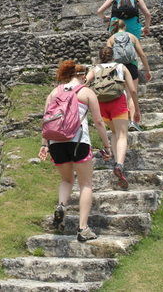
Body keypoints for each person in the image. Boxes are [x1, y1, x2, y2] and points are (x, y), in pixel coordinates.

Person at [38, 60, 112, 242]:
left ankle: (62, 205)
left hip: (56, 142)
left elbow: (46, 120)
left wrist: (44, 145)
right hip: (78, 141)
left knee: (66, 180)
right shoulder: (86, 92)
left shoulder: (54, 92)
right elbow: (99, 122)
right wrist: (107, 146)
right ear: (80, 76)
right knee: (85, 184)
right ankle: (82, 228)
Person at [84, 46, 139, 191]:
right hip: (118, 102)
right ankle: (119, 164)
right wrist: (137, 110)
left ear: (100, 56)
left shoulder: (95, 69)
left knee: (114, 132)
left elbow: (84, 83)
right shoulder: (121, 67)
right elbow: (132, 89)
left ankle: (116, 159)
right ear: (113, 55)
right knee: (122, 135)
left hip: (101, 104)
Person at [106, 19, 151, 131]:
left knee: (121, 94)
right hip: (131, 66)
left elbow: (108, 58)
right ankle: (133, 122)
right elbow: (142, 55)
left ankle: (121, 122)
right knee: (131, 94)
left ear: (115, 27)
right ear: (125, 26)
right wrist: (147, 70)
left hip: (118, 68)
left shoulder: (111, 39)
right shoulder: (132, 36)